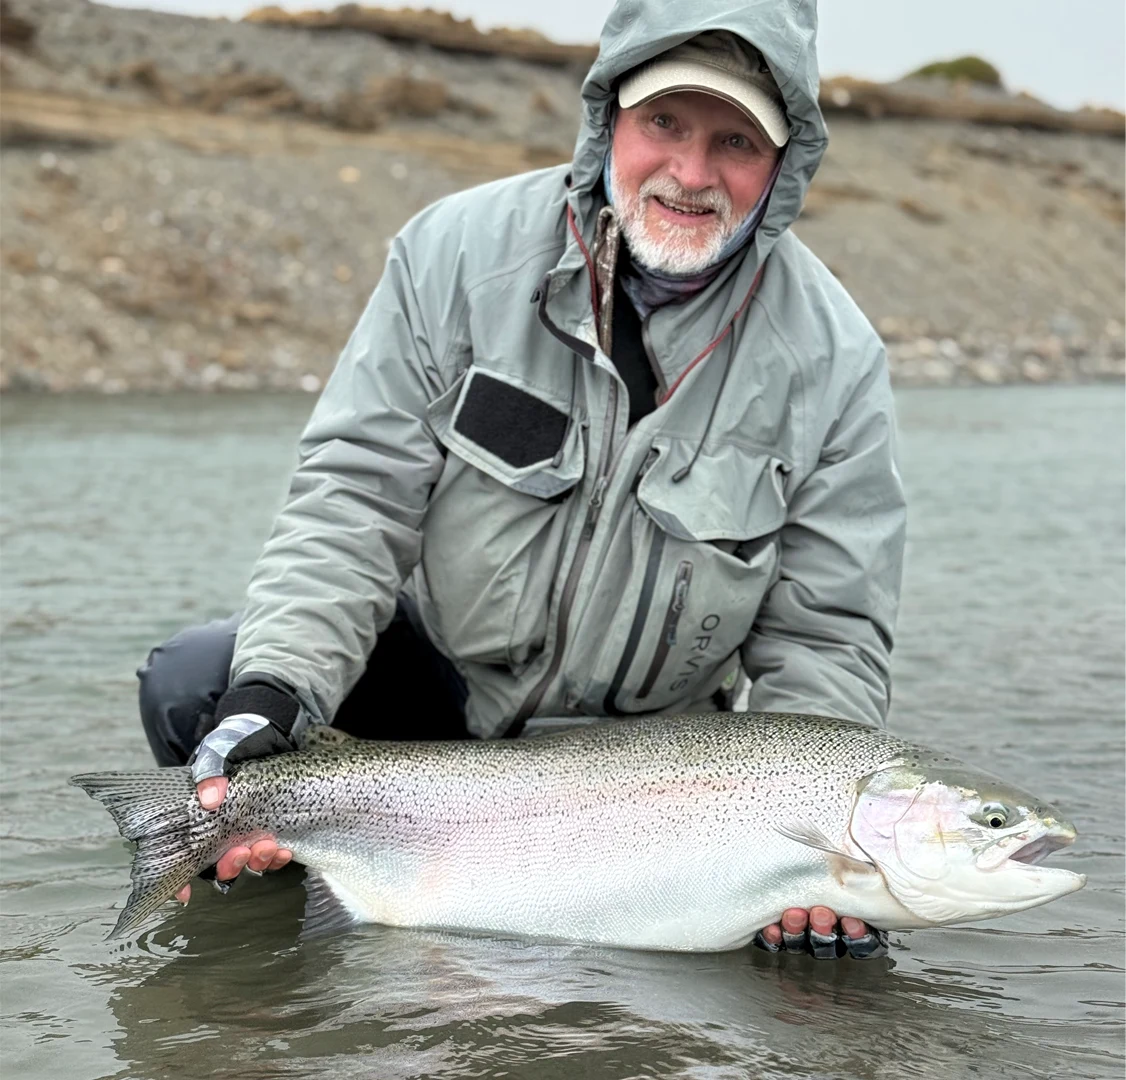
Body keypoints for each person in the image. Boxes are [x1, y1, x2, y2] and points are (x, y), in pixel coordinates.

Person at [138, 1, 905, 960]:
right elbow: (354, 502)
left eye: (737, 141)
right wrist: (275, 690)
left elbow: (825, 631)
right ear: (608, 118)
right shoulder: (454, 254)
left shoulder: (835, 361)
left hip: (651, 771)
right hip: (443, 702)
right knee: (200, 686)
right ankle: (291, 904)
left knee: (812, 957)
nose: (693, 172)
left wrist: (816, 852)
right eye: (665, 122)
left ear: (784, 165)